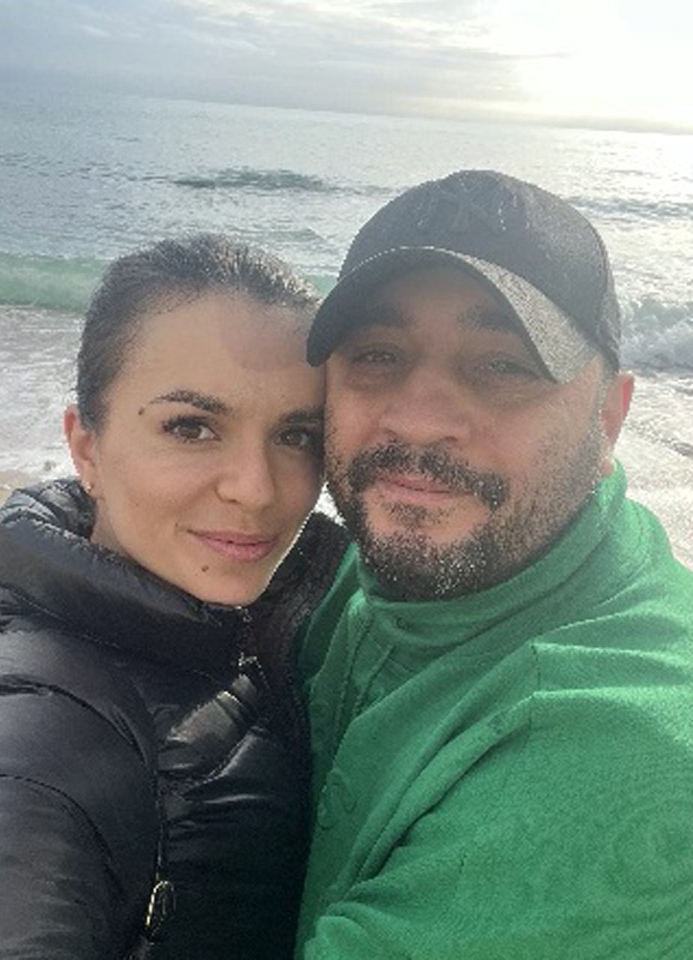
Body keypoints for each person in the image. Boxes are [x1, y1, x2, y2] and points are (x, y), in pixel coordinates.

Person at [294, 170, 693, 958]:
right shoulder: (392, 567)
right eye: (377, 354)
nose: (417, 420)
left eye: (502, 365)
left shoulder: (612, 749)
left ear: (607, 416)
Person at [0, 234, 348, 959]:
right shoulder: (36, 734)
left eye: (296, 435)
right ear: (85, 448)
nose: (256, 488)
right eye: (191, 427)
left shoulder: (244, 616)